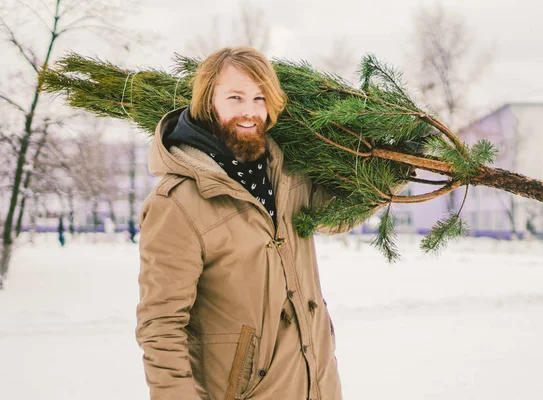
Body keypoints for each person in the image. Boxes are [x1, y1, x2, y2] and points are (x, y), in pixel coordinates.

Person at [136, 47, 395, 400]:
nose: (249, 110)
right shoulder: (177, 203)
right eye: (235, 97)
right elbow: (161, 326)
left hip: (315, 384)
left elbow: (336, 215)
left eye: (259, 98)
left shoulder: (286, 172)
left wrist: (394, 169)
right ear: (207, 101)